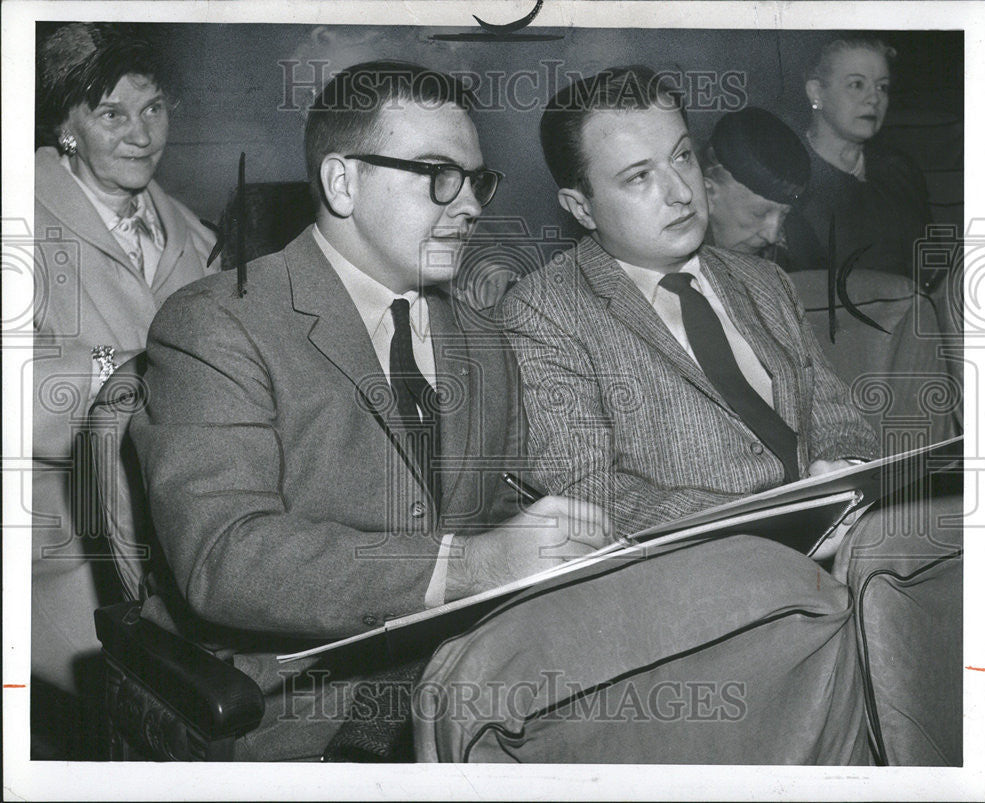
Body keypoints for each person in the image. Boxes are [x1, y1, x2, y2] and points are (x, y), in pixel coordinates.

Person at [129, 61, 607, 761]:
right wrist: (468, 565)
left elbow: (500, 510)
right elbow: (226, 555)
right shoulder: (216, 323)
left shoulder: (482, 336)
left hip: (476, 684)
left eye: (477, 179)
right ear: (342, 181)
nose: (470, 204)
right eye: (437, 173)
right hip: (299, 708)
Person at [411, 66, 881, 765]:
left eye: (683, 155)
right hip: (714, 607)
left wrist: (847, 467)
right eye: (638, 177)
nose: (680, 190)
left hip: (850, 554)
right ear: (579, 205)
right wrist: (784, 514)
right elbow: (588, 494)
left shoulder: (763, 280)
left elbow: (839, 416)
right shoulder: (543, 311)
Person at [31, 22, 217, 758]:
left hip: (163, 534)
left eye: (153, 109)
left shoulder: (194, 234)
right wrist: (131, 365)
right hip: (58, 543)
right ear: (66, 129)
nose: (141, 135)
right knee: (84, 732)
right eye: (112, 114)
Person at [702, 106, 960, 444]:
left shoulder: (795, 245)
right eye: (760, 212)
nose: (772, 232)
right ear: (708, 193)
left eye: (783, 215)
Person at [783, 37, 933, 289]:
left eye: (882, 87)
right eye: (857, 85)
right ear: (816, 93)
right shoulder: (788, 179)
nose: (873, 99)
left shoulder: (901, 170)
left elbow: (931, 271)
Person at [702, 106, 810, 260]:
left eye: (784, 214)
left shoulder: (790, 255)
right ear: (707, 196)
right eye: (758, 214)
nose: (772, 236)